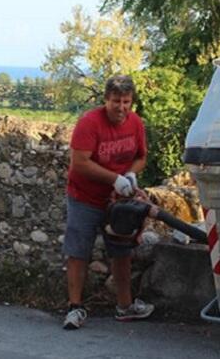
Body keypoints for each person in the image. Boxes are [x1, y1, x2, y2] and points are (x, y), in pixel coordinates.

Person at [61, 75, 154, 330]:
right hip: (85, 197)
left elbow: (141, 156)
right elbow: (79, 162)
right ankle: (75, 307)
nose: (122, 108)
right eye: (116, 101)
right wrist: (114, 178)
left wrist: (131, 174)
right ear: (106, 100)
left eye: (126, 102)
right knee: (79, 249)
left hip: (119, 199)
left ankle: (125, 306)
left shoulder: (135, 123)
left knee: (122, 250)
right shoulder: (90, 123)